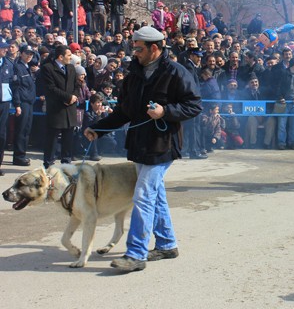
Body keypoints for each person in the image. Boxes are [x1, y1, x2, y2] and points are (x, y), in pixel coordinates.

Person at [83, 25, 202, 272]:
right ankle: (167, 244)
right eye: (134, 47)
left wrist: (166, 112)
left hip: (163, 144)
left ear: (154, 48)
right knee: (155, 195)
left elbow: (193, 106)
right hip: (139, 143)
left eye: (138, 48)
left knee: (143, 194)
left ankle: (136, 254)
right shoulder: (134, 74)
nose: (134, 52)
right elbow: (124, 111)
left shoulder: (177, 72)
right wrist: (100, 128)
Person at [40, 44, 78, 169]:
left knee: (68, 139)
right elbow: (51, 88)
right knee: (52, 139)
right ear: (60, 57)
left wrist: (73, 97)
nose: (70, 57)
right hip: (57, 109)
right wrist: (67, 98)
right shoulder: (48, 68)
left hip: (70, 109)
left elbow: (76, 85)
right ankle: (49, 164)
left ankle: (66, 163)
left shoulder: (71, 68)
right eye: (68, 55)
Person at [12, 45, 36, 166]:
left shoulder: (27, 67)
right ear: (21, 53)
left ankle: (22, 154)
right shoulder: (17, 67)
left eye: (31, 54)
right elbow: (16, 87)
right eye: (27, 53)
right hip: (22, 102)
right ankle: (18, 156)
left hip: (29, 102)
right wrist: (17, 104)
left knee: (26, 130)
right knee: (21, 130)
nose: (29, 56)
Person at [0, 39, 16, 176]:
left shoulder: (8, 64)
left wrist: (16, 103)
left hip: (4, 103)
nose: (6, 50)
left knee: (2, 135)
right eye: (3, 48)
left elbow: (12, 84)